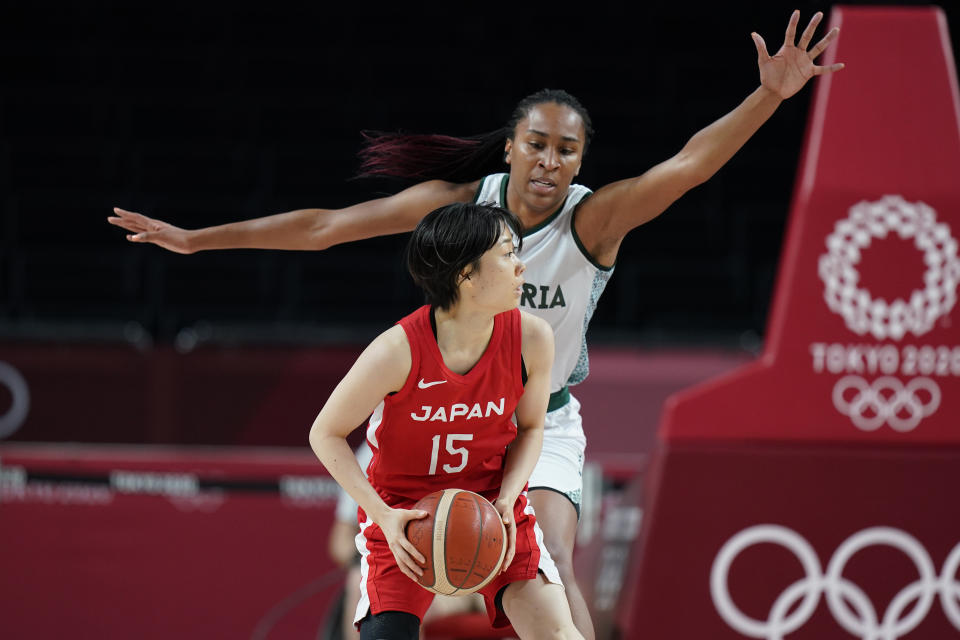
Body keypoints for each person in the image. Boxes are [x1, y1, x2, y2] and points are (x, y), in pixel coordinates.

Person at [109, 12, 843, 637]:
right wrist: (197, 239)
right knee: (402, 574)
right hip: (443, 405)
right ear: (512, 147)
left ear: (581, 159)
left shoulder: (592, 220)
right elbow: (327, 226)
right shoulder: (462, 208)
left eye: (568, 148)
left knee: (551, 557)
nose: (550, 160)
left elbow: (686, 168)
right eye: (538, 143)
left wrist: (767, 97)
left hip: (538, 418)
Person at [309, 202, 578, 639]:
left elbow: (530, 428)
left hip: (492, 506)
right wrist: (383, 515)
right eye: (508, 253)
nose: (521, 265)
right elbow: (325, 432)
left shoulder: (532, 338)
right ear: (465, 274)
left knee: (559, 634)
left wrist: (509, 498)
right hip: (406, 516)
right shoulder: (396, 350)